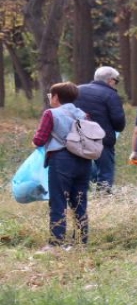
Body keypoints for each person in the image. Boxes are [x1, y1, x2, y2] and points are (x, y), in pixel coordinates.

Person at [33, 82, 92, 250]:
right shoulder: (84, 115)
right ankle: (81, 243)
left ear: (56, 97)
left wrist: (35, 142)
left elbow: (39, 139)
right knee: (79, 202)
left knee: (59, 201)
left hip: (61, 160)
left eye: (50, 95)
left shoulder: (51, 113)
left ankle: (56, 243)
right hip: (84, 161)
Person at [74, 66, 126, 194]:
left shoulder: (77, 90)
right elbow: (118, 120)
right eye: (116, 81)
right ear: (110, 80)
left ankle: (82, 196)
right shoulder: (111, 94)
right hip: (102, 139)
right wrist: (117, 128)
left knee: (81, 167)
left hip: (77, 137)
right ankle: (103, 198)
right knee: (105, 171)